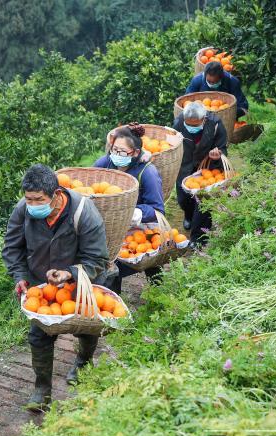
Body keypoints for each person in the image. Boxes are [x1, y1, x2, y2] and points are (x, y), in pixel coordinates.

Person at [2, 164, 109, 405]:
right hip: (43, 285)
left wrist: (69, 274)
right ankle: (42, 389)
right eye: (28, 199)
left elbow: (97, 259)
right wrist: (20, 276)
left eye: (38, 199)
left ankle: (82, 363)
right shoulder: (24, 210)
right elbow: (12, 248)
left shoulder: (84, 212)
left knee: (86, 327)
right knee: (39, 335)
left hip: (81, 280)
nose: (32, 204)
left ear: (57, 194)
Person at [94, 123, 165, 293]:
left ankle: (158, 294)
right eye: (114, 149)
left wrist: (136, 213)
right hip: (112, 228)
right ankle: (112, 304)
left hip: (139, 230)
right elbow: (89, 184)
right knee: (109, 266)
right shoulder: (106, 163)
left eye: (122, 152)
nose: (117, 155)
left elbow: (158, 210)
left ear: (135, 152)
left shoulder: (147, 172)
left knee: (137, 265)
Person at [172, 101, 228, 245]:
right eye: (188, 124)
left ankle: (199, 237)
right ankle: (188, 216)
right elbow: (173, 146)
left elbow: (222, 148)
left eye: (195, 125)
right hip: (184, 166)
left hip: (207, 167)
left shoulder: (215, 124)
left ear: (204, 119)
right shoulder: (178, 124)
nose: (191, 127)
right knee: (184, 199)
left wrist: (217, 154)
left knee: (203, 202)